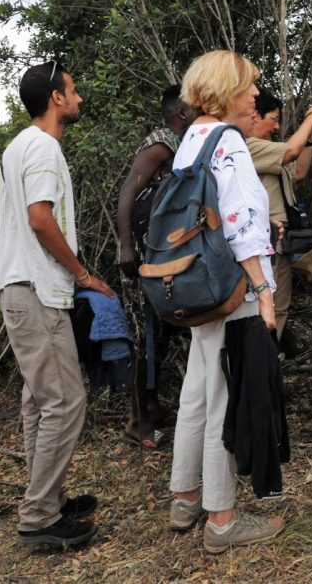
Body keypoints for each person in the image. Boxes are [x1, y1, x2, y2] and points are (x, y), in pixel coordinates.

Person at [167, 50, 285, 552]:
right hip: (229, 285)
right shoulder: (229, 142)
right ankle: (221, 519)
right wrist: (263, 291)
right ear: (225, 91)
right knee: (223, 396)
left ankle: (185, 495)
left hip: (195, 281)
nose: (255, 94)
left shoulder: (191, 139)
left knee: (197, 387)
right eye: (248, 86)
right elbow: (238, 222)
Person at [0, 61, 112, 547]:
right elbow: (40, 220)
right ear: (56, 99)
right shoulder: (43, 147)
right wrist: (83, 274)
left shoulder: (19, 145)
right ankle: (40, 516)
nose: (79, 96)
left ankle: (48, 498)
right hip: (36, 291)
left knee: (41, 403)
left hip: (24, 290)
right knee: (65, 402)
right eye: (74, 88)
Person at [116, 84, 193, 449]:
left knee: (158, 334)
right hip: (141, 257)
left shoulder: (182, 145)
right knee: (142, 336)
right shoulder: (163, 142)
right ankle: (137, 420)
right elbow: (128, 191)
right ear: (180, 112)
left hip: (161, 255)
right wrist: (126, 245)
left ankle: (152, 404)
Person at [245, 86, 312, 344]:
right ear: (254, 115)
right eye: (273, 119)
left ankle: (271, 361)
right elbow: (289, 151)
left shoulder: (268, 148)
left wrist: (309, 140)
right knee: (267, 307)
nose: (276, 127)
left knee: (280, 305)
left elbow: (297, 171)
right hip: (264, 242)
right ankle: (264, 362)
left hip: (281, 240)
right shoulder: (247, 147)